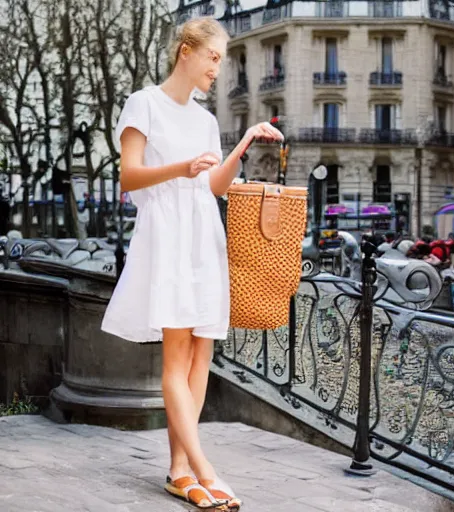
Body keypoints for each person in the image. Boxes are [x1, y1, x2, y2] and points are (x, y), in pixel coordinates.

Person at [100, 17, 283, 510]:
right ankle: (204, 468)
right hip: (168, 235)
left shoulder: (204, 120)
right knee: (177, 356)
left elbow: (213, 187)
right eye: (214, 57)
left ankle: (180, 472)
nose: (217, 70)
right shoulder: (144, 103)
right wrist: (181, 167)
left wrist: (242, 145)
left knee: (203, 354)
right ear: (186, 50)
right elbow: (129, 178)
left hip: (205, 234)